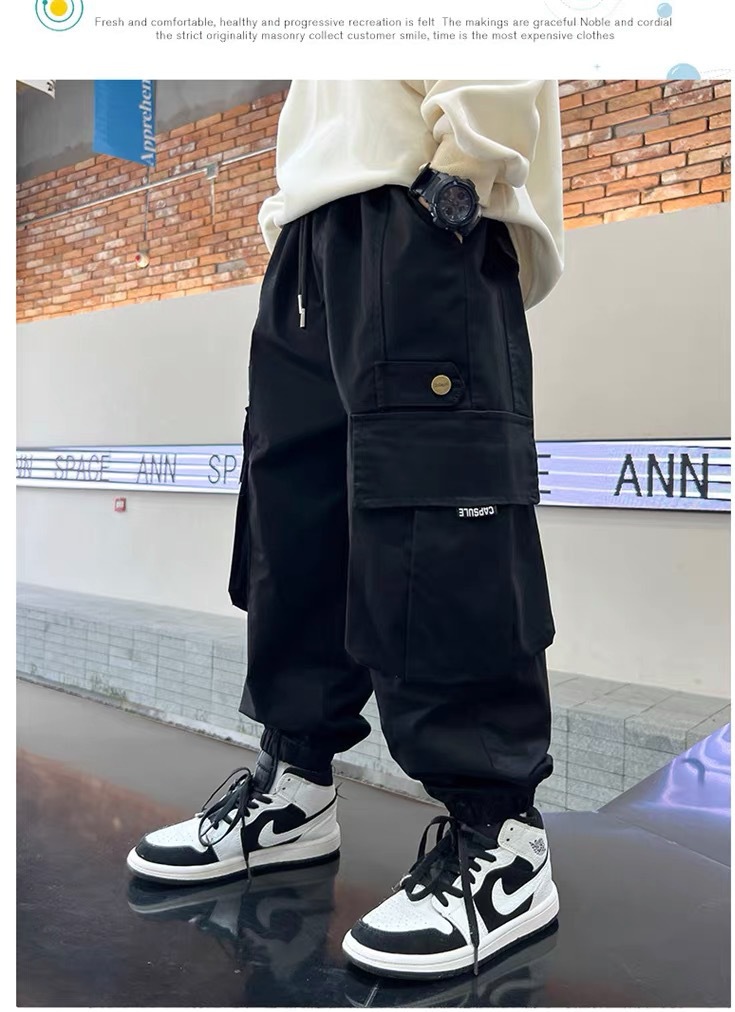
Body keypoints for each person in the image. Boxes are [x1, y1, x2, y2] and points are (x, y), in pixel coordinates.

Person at [126, 79, 565, 980]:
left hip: (423, 205)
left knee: (439, 517)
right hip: (310, 235)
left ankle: (503, 840)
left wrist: (463, 170)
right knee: (294, 521)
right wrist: (291, 225)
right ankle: (294, 789)